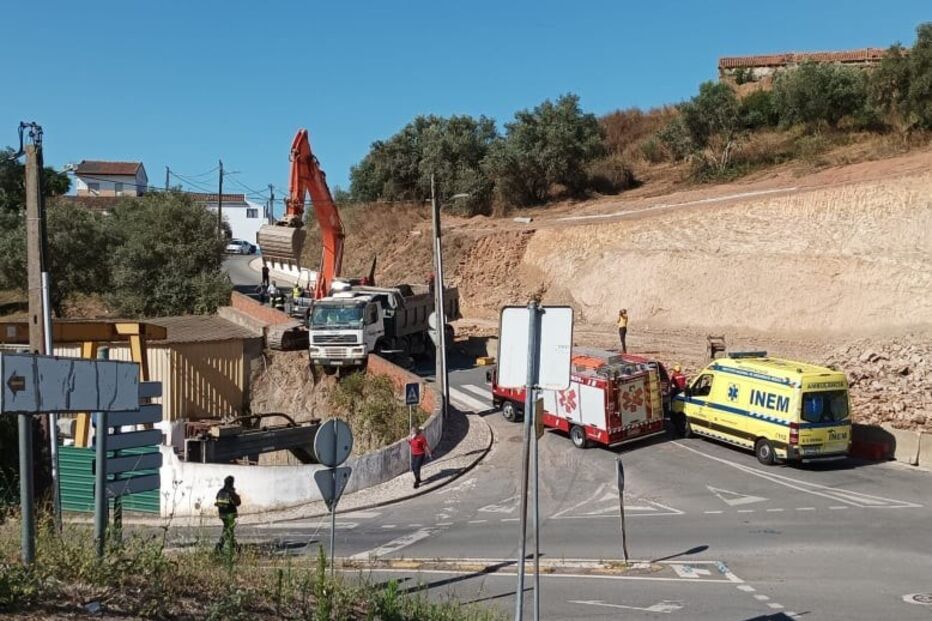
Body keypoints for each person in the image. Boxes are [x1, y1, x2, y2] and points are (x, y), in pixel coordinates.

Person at [214, 475, 241, 554]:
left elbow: (217, 499)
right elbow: (238, 502)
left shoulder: (220, 491)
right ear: (232, 483)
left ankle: (233, 546)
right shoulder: (231, 492)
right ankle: (221, 546)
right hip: (230, 514)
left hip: (222, 515)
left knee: (228, 530)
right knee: (228, 530)